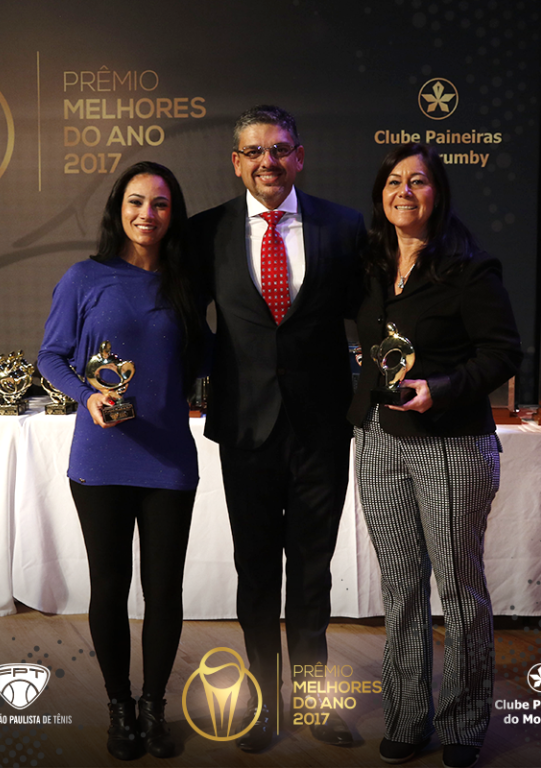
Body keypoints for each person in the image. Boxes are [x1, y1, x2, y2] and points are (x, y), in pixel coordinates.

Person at [190, 105, 366, 752]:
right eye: (255, 151)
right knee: (257, 573)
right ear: (236, 163)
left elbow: (376, 318)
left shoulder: (343, 227)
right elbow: (183, 320)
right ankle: (262, 704)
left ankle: (316, 703)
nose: (269, 161)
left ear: (300, 157)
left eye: (281, 149)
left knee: (313, 574)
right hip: (245, 430)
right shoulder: (205, 232)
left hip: (322, 431)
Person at [348, 143, 522, 768]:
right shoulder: (370, 265)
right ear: (381, 195)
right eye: (394, 181)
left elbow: (503, 354)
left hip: (449, 443)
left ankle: (464, 723)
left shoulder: (469, 267)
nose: (405, 191)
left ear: (438, 193)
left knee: (458, 586)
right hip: (378, 439)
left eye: (418, 181)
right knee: (400, 587)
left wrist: (441, 389)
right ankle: (406, 717)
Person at [38, 161, 203, 761]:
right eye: (136, 201)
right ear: (118, 209)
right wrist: (87, 396)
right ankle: (119, 706)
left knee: (165, 591)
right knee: (109, 587)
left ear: (173, 214)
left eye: (160, 203)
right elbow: (51, 356)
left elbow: (207, 356)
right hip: (101, 458)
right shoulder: (85, 277)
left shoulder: (187, 282)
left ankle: (154, 706)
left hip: (169, 460)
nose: (147, 214)